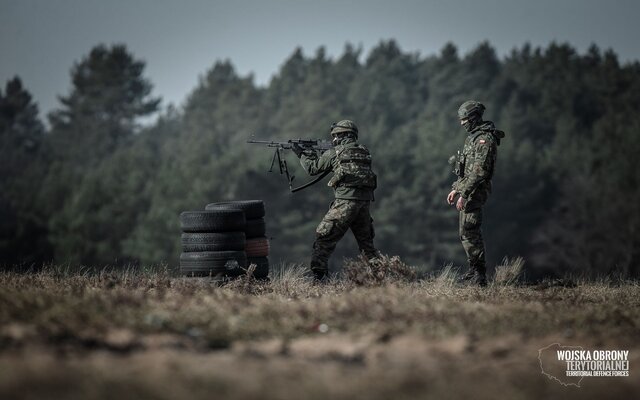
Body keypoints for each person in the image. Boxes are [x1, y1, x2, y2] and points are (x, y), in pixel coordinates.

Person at [291, 120, 379, 280]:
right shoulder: (364, 151)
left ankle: (319, 278)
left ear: (342, 135)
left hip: (345, 202)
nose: (334, 140)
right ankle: (380, 278)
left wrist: (303, 154)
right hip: (364, 203)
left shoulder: (336, 152)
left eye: (336, 136)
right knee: (367, 246)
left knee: (324, 238)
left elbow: (313, 168)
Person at [447, 101, 505, 286]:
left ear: (473, 118)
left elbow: (480, 172)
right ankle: (474, 271)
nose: (462, 123)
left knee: (470, 231)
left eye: (465, 119)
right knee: (466, 232)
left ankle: (479, 275)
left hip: (476, 191)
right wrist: (457, 188)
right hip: (468, 190)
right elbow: (467, 170)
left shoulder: (484, 140)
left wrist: (464, 193)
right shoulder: (472, 138)